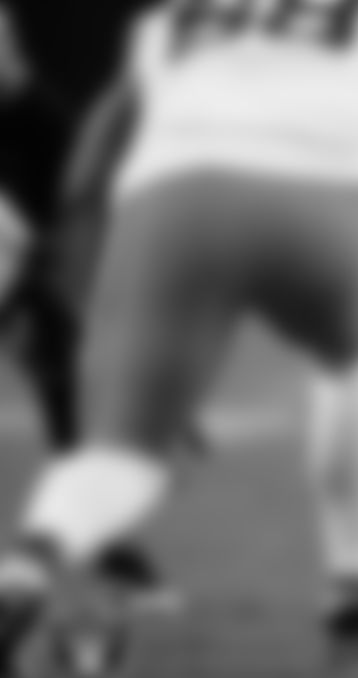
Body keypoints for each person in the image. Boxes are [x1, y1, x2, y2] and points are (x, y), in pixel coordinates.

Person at [0, 0, 358, 678]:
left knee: (123, 451)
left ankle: (29, 560)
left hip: (172, 198)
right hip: (329, 189)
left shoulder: (176, 16)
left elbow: (98, 145)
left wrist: (81, 255)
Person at [0, 5, 177, 612]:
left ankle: (97, 539)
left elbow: (74, 233)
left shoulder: (42, 124)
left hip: (34, 266)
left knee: (63, 363)